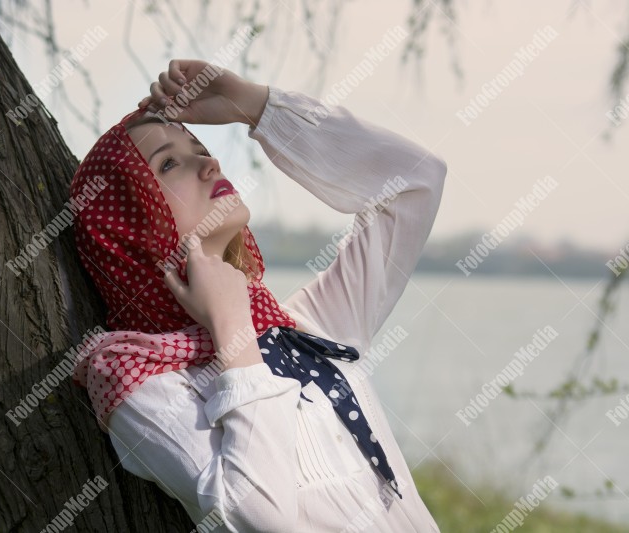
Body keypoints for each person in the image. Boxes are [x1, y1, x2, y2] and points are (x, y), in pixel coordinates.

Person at [70, 59, 447, 532]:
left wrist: (255, 106)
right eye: (169, 164)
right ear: (128, 229)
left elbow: (416, 182)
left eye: (199, 147)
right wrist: (232, 334)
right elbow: (259, 520)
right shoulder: (141, 380)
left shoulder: (305, 328)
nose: (209, 163)